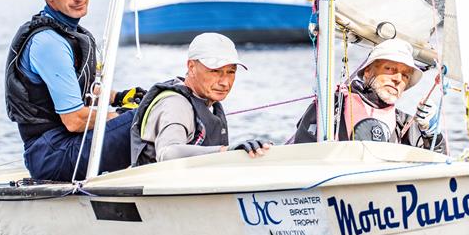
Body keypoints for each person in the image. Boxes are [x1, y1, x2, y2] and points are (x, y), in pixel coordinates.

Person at [5, 0, 144, 182]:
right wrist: (120, 114)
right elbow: (74, 119)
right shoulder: (49, 43)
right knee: (153, 114)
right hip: (54, 154)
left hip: (67, 146)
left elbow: (82, 90)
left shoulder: (71, 34)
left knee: (159, 100)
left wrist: (119, 97)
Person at [131, 32, 271, 165]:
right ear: (191, 67)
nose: (225, 82)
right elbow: (168, 153)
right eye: (215, 71)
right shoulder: (175, 104)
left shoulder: (207, 101)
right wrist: (226, 151)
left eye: (231, 72)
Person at [292, 39, 443, 149]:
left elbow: (438, 170)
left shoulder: (404, 124)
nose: (398, 79)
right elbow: (300, 155)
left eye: (405, 75)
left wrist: (433, 135)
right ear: (368, 72)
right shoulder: (331, 107)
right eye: (390, 69)